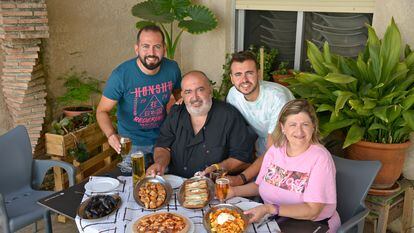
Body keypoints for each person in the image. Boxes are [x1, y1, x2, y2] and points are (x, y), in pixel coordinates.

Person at [226, 99, 340, 233]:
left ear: (313, 126)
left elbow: (312, 211)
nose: (299, 131)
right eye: (292, 124)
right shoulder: (275, 150)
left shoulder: (320, 158)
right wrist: (234, 191)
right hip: (275, 218)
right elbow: (260, 186)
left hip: (312, 223)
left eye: (305, 124)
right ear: (282, 127)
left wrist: (270, 208)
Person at [96, 25, 182, 171]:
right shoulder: (121, 75)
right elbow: (102, 111)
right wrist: (110, 135)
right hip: (133, 142)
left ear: (164, 49)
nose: (152, 52)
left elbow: (178, 92)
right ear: (137, 49)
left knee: (163, 182)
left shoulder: (172, 68)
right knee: (135, 185)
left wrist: (181, 100)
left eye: (157, 47)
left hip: (164, 138)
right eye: (146, 46)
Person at [146, 70, 257, 178]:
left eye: (200, 90)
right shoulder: (176, 113)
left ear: (210, 91)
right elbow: (162, 146)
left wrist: (218, 168)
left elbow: (242, 158)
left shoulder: (228, 115)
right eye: (188, 92)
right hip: (177, 185)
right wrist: (160, 163)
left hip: (213, 187)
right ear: (182, 95)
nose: (195, 97)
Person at [226, 51, 294, 186]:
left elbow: (273, 150)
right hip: (262, 146)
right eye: (238, 74)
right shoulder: (233, 95)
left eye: (249, 73)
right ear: (232, 78)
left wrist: (241, 178)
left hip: (290, 149)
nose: (244, 80)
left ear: (259, 74)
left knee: (270, 192)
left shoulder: (276, 97)